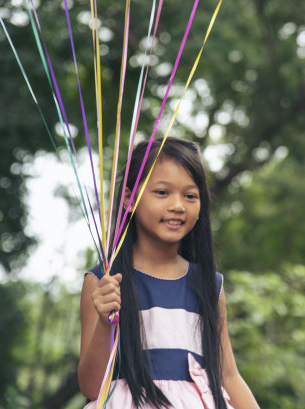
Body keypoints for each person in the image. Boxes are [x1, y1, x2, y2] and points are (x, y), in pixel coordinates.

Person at [78, 137, 261, 409]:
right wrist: (106, 322)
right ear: (130, 198)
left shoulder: (210, 285)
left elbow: (229, 376)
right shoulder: (103, 282)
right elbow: (92, 387)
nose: (178, 205)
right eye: (162, 192)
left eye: (190, 195)